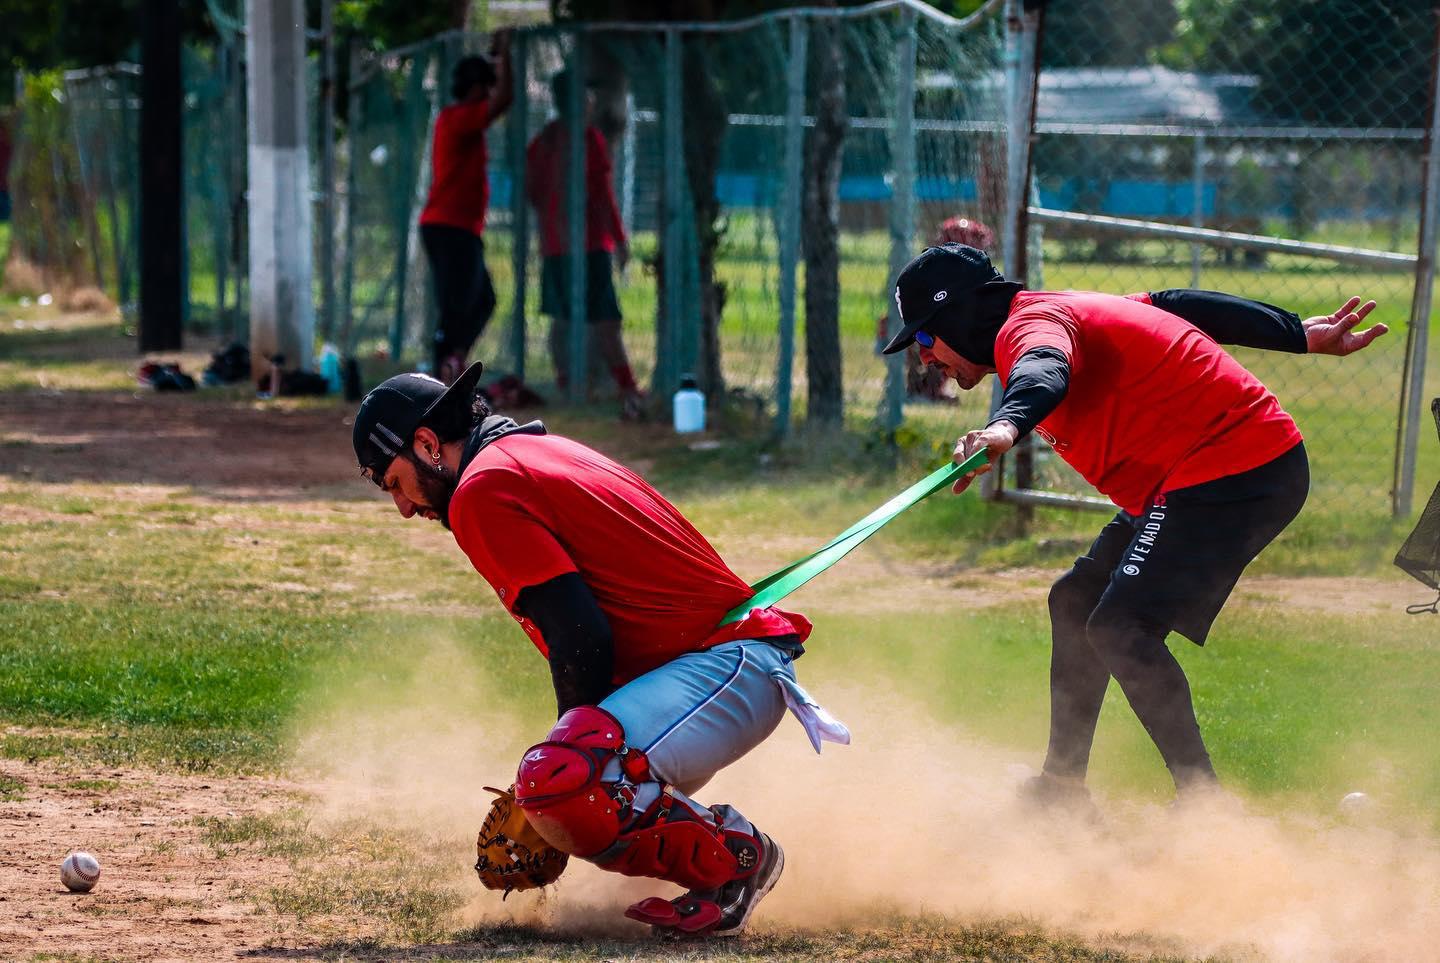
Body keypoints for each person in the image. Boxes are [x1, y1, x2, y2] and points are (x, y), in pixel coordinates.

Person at [881, 243, 1388, 806]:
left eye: (926, 338)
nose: (925, 357)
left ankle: (1205, 811)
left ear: (960, 314)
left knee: (1121, 626)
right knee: (1076, 601)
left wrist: (1004, 429)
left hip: (1237, 466)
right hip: (1199, 475)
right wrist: (1294, 333)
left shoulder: (1031, 328)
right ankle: (1061, 791)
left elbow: (1044, 374)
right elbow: (1177, 306)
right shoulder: (1059, 310)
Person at [351, 362, 843, 936]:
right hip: (727, 669)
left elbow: (581, 637)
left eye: (394, 483)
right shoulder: (534, 452)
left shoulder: (482, 490)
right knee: (571, 790)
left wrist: (569, 768)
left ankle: (740, 862)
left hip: (727, 666)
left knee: (565, 781)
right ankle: (697, 845)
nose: (405, 508)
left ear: (428, 443)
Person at [525, 70, 644, 419]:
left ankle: (574, 385)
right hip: (587, 245)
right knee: (605, 319)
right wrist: (620, 241)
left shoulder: (544, 140)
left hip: (557, 246)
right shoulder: (585, 140)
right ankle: (626, 388)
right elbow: (603, 196)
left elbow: (532, 193)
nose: (592, 102)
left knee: (564, 319)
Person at [419, 39, 513, 385]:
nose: (490, 94)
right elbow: (503, 100)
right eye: (486, 87)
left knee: (482, 300)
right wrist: (509, 54)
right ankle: (440, 375)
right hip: (448, 226)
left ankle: (452, 363)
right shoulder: (457, 118)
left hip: (460, 227)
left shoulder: (463, 118)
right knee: (456, 305)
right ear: (476, 88)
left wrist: (497, 57)